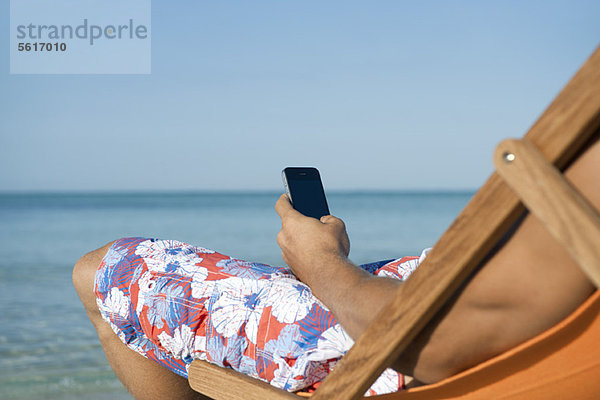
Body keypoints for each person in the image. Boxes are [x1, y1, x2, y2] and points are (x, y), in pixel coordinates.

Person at [73, 135, 599, 399]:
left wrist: (322, 263)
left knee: (101, 269)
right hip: (444, 290)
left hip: (409, 340)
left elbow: (444, 343)